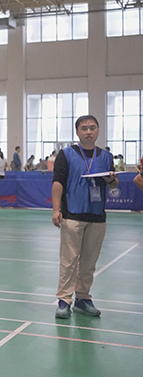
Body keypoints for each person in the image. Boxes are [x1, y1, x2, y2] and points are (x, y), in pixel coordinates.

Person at [52, 115, 118, 319]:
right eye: (84, 128)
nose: (88, 131)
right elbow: (58, 182)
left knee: (89, 262)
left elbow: (113, 185)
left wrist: (111, 180)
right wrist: (56, 209)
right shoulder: (66, 154)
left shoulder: (106, 156)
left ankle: (82, 298)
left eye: (92, 128)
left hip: (97, 216)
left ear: (98, 131)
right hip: (72, 214)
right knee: (69, 260)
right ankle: (64, 300)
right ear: (77, 132)